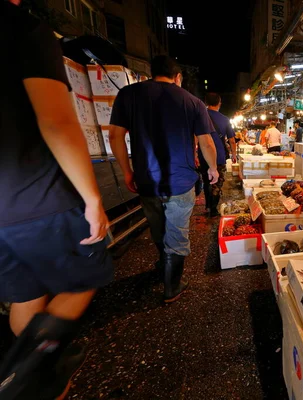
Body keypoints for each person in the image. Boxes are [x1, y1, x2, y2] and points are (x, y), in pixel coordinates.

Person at [0, 1, 113, 398]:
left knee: (25, 292)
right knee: (88, 274)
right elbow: (57, 120)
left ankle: (41, 377)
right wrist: (92, 198)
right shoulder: (23, 28)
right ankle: (28, 370)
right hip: (37, 196)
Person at [109, 55, 218, 303]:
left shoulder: (128, 94)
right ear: (178, 77)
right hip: (180, 182)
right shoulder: (193, 102)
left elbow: (115, 136)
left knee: (157, 228)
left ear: (151, 73)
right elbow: (206, 141)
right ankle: (172, 285)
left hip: (146, 180)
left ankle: (163, 266)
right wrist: (213, 168)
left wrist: (128, 171)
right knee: (177, 231)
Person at [202, 92, 233, 217]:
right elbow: (231, 139)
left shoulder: (200, 116)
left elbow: (194, 137)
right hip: (219, 157)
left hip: (203, 156)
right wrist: (234, 154)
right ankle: (213, 208)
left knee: (206, 181)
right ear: (219, 103)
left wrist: (194, 154)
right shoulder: (225, 119)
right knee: (217, 183)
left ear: (206, 103)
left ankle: (208, 206)